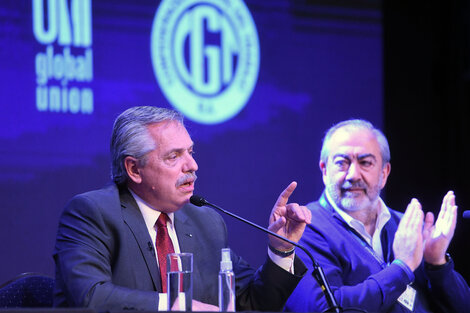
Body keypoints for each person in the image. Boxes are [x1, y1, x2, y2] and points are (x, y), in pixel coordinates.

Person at [53, 106, 311, 311]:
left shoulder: (206, 222)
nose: (192, 165)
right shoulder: (91, 213)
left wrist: (282, 250)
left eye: (190, 151)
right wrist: (175, 306)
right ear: (134, 169)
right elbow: (89, 297)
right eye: (173, 156)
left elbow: (251, 303)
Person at [284, 119, 470, 313]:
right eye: (342, 163)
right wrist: (402, 267)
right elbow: (324, 308)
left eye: (365, 163)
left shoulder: (407, 228)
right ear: (324, 170)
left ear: (384, 173)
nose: (353, 175)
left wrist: (437, 264)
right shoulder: (304, 227)